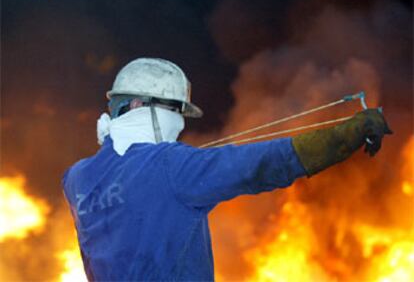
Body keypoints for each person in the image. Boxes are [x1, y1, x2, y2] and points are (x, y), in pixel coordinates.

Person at [62, 58, 392, 281]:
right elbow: (263, 165)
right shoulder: (170, 166)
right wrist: (345, 136)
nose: (178, 124)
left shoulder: (76, 178)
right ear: (137, 106)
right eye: (174, 110)